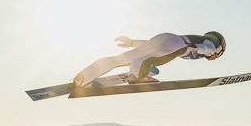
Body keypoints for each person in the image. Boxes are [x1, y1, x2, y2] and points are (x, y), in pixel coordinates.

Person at [73, 32, 226, 89]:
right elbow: (208, 49)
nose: (214, 57)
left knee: (122, 59)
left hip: (163, 38)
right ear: (219, 49)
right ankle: (136, 77)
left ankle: (85, 78)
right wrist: (195, 49)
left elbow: (152, 45)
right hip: (177, 44)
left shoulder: (198, 38)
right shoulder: (211, 45)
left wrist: (132, 43)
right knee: (148, 59)